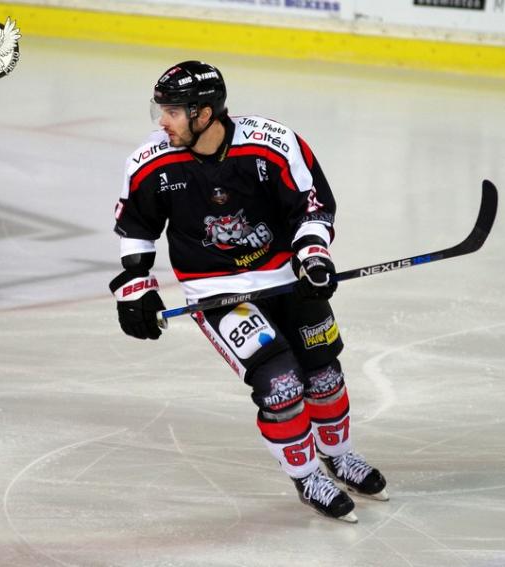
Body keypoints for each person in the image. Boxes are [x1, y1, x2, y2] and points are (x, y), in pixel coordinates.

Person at [110, 60, 388, 522]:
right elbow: (137, 228)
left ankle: (338, 456)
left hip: (287, 278)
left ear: (205, 113)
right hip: (219, 294)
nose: (163, 121)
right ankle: (307, 477)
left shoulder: (273, 144)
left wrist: (313, 255)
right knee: (280, 385)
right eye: (162, 110)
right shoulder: (150, 163)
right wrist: (135, 289)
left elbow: (310, 205)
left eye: (174, 111)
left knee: (323, 374)